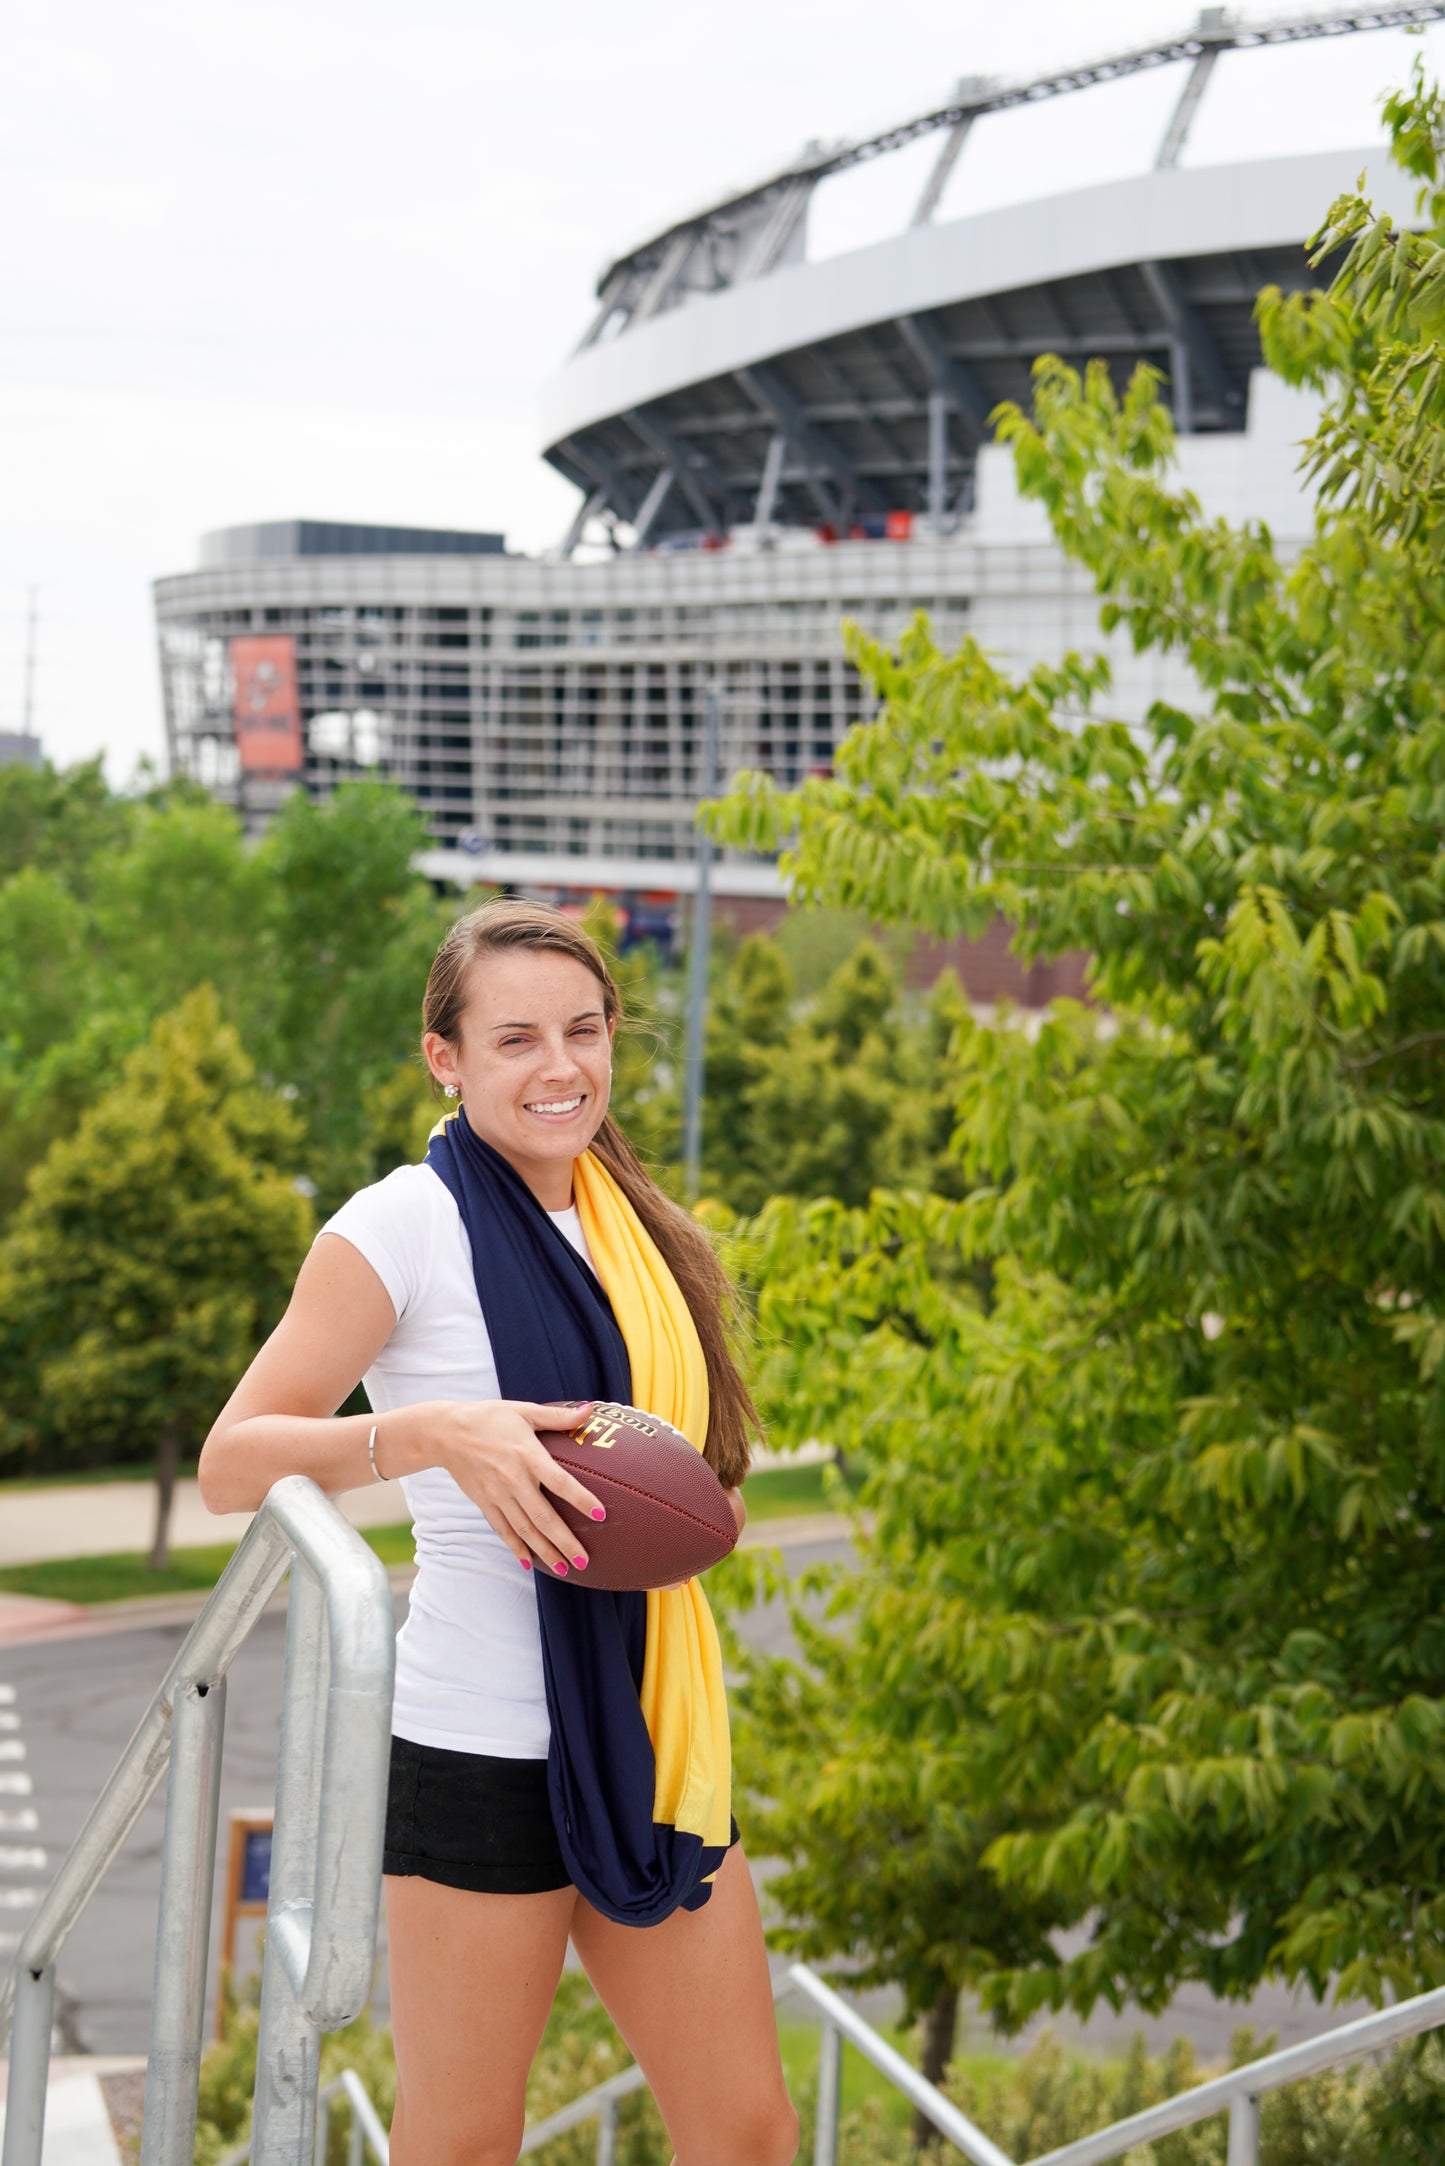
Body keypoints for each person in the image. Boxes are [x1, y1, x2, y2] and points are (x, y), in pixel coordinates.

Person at [200, 898, 798, 2166]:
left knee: (746, 2131)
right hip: (475, 1751)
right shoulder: (398, 1225)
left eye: (584, 1032)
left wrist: (682, 1518)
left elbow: (714, 1486)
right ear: (446, 1058)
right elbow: (230, 1464)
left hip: (647, 1732)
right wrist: (430, 1436)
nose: (560, 1067)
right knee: (465, 2143)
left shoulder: (636, 1228)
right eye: (516, 1039)